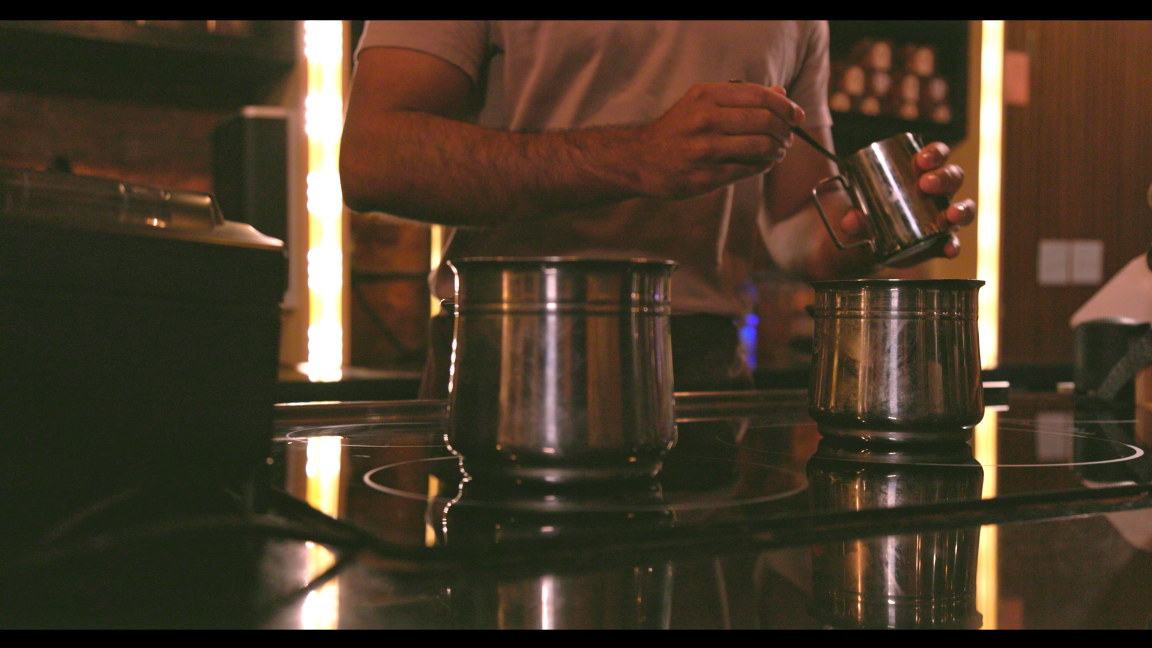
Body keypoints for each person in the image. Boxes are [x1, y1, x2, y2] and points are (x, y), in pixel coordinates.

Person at [340, 21, 976, 396]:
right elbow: (373, 160)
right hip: (512, 355)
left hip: (704, 369)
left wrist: (873, 232)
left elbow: (793, 226)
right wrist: (638, 156)